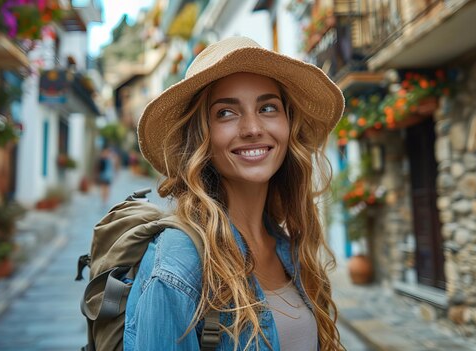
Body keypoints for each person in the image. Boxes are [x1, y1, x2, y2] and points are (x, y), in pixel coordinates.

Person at [126, 37, 345, 350]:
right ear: (202, 135)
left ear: (288, 125)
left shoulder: (288, 248)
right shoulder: (179, 263)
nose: (253, 127)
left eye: (268, 107)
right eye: (226, 113)